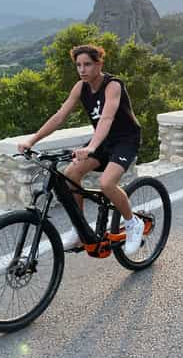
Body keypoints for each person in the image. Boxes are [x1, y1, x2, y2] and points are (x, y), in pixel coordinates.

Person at [17, 44, 145, 255]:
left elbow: (107, 117)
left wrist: (92, 146)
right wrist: (32, 141)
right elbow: (59, 116)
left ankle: (133, 223)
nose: (82, 70)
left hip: (125, 140)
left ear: (99, 64)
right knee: (70, 174)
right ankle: (81, 230)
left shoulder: (113, 85)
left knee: (106, 183)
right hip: (102, 141)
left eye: (87, 64)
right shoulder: (80, 87)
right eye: (78, 65)